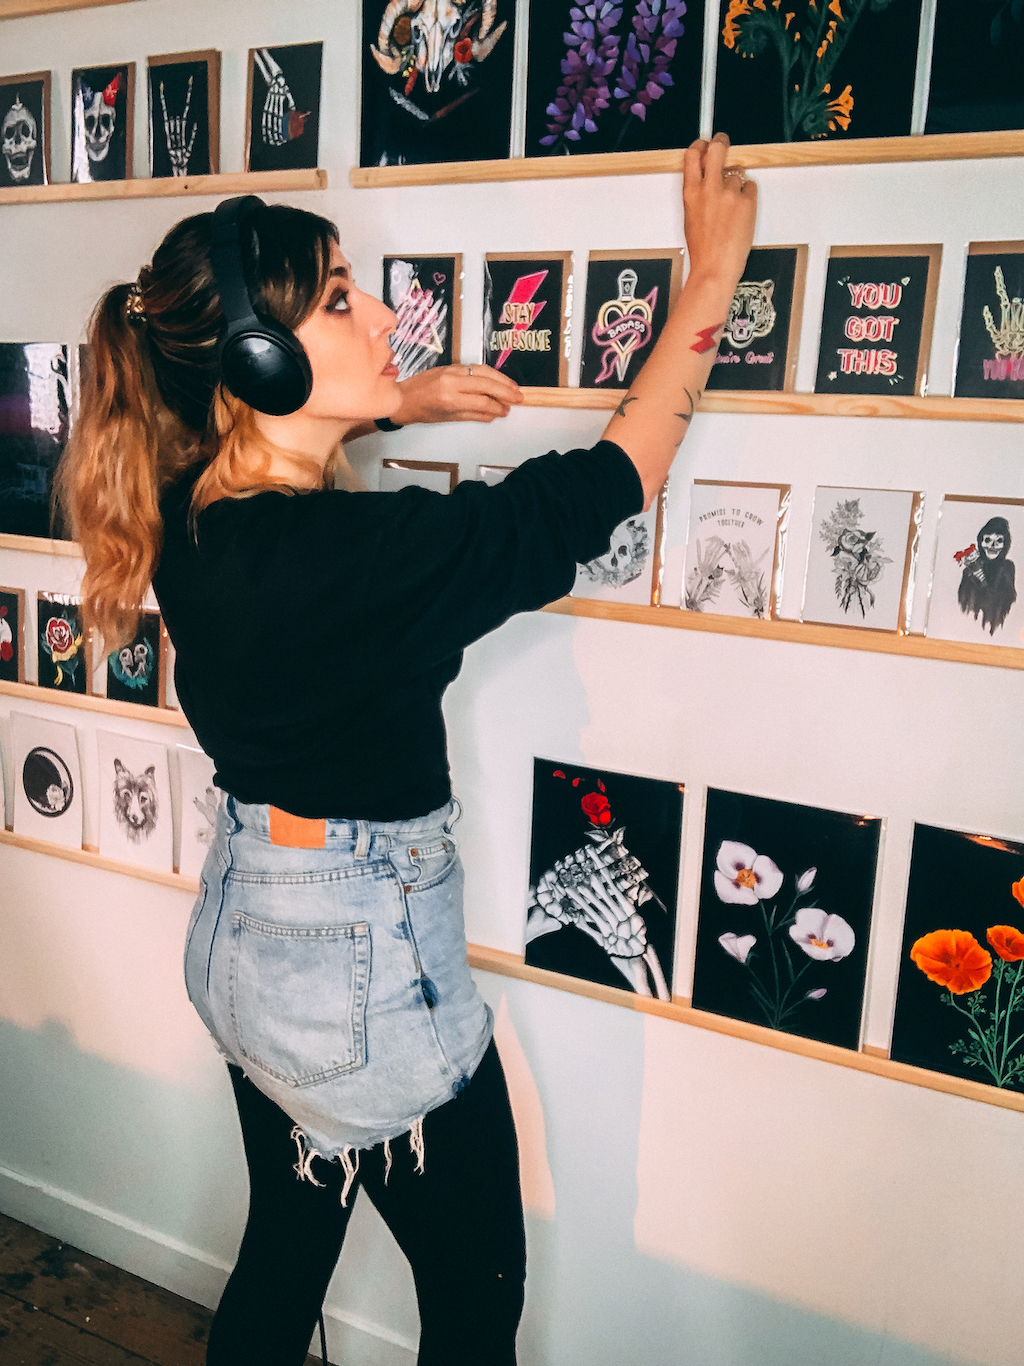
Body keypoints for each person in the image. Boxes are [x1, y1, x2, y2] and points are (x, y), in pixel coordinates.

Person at [56, 133, 756, 1365]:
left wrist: (395, 396)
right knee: (478, 1303)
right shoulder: (359, 563)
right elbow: (606, 480)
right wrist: (707, 282)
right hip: (357, 970)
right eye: (340, 298)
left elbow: (289, 487)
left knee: (284, 1246)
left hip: (247, 944)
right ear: (261, 363)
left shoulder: (186, 506)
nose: (383, 313)